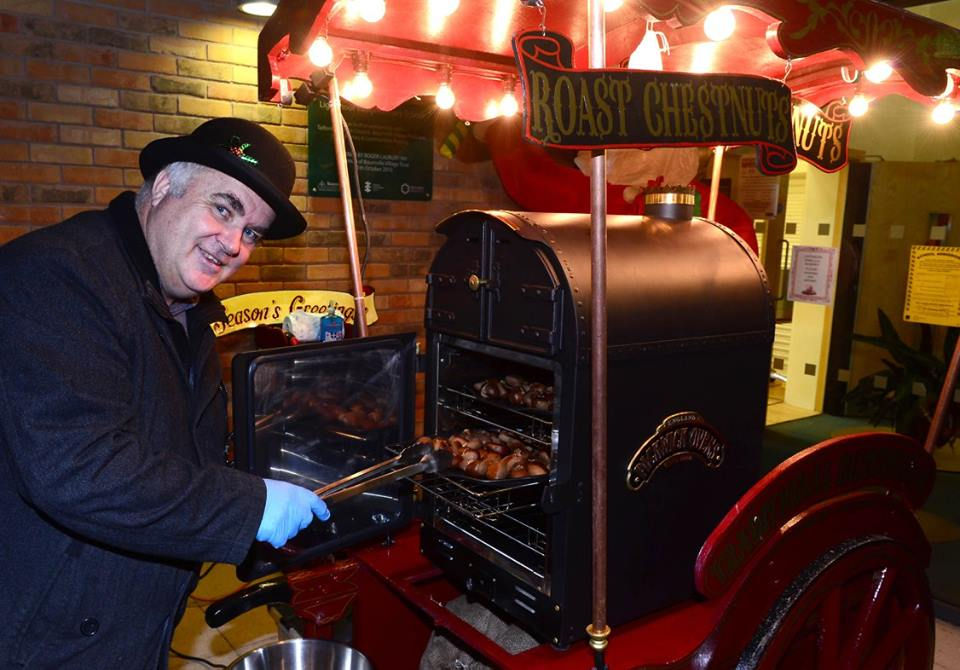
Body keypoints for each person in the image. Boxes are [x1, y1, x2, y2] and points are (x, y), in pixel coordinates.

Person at [0, 118, 331, 668]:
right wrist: (251, 507)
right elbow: (82, 469)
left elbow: (179, 452)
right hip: (39, 639)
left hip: (134, 631)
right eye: (223, 209)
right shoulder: (58, 274)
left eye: (252, 232)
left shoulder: (187, 310)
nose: (233, 245)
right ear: (162, 187)